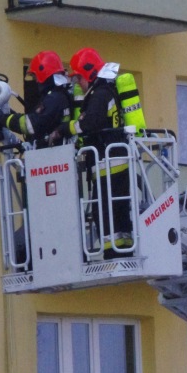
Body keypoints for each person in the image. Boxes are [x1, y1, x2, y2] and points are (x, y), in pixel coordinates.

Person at [60, 47, 133, 259]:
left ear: (90, 73)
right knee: (113, 212)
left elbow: (90, 123)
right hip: (108, 163)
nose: (78, 84)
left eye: (79, 78)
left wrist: (66, 128)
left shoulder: (100, 94)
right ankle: (118, 250)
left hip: (108, 164)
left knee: (107, 213)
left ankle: (115, 253)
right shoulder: (103, 92)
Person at [0, 51, 72, 148]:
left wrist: (2, 119)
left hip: (51, 156)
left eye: (35, 77)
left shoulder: (54, 98)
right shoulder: (58, 95)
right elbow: (35, 118)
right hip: (53, 153)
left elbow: (31, 124)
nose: (36, 81)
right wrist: (9, 115)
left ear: (43, 73)